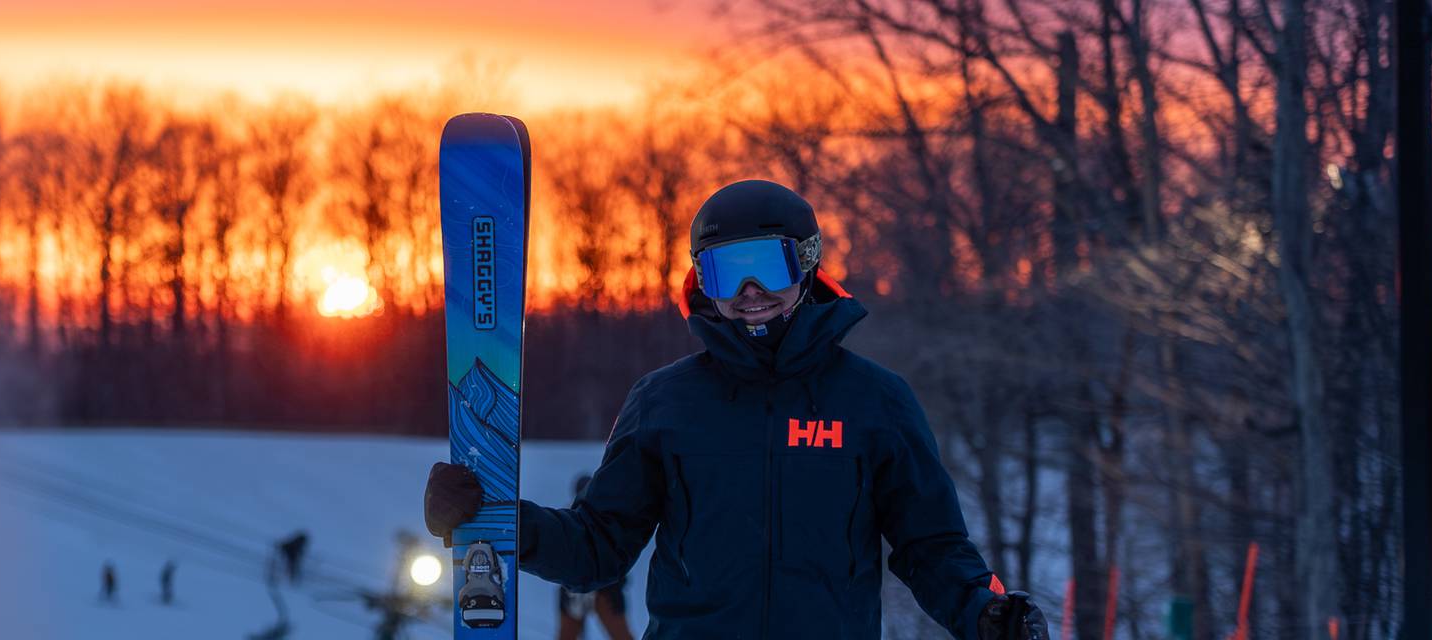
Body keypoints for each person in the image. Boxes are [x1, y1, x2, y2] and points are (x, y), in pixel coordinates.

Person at [424, 180, 1050, 639]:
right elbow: (598, 548)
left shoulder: (875, 402)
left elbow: (931, 546)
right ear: (703, 281)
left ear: (806, 265)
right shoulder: (666, 402)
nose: (749, 294)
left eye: (764, 268)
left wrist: (983, 610)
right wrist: (498, 519)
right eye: (727, 273)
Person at [557, 474, 635, 640]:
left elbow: (619, 552)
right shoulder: (569, 519)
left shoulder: (607, 518)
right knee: (567, 635)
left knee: (620, 634)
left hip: (605, 588)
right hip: (575, 589)